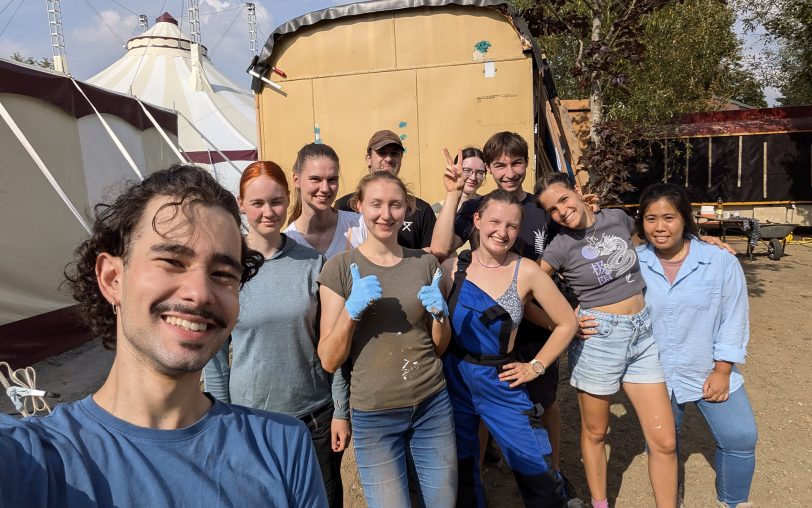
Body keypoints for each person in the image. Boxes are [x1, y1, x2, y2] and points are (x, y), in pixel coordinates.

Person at [0, 164, 328, 507]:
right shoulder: (36, 460)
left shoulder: (282, 446)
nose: (200, 292)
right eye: (172, 261)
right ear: (113, 278)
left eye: (222, 273)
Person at [580, 183, 757, 508]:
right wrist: (579, 319)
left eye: (669, 218)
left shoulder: (719, 262)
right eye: (650, 219)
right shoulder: (630, 263)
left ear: (685, 219)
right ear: (641, 223)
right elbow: (598, 294)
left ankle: (733, 502)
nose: (660, 227)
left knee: (741, 437)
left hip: (706, 368)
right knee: (663, 445)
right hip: (654, 373)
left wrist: (723, 369)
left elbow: (734, 317)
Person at [203, 161, 349, 507]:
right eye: (257, 203)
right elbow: (216, 361)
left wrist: (341, 410)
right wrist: (221, 421)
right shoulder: (226, 270)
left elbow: (334, 345)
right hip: (249, 421)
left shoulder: (313, 264)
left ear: (289, 200)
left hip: (313, 417)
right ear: (241, 204)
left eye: (276, 202)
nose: (268, 212)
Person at [432, 133, 571, 487]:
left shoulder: (542, 208)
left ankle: (552, 473)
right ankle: (477, 477)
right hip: (484, 336)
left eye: (516, 163)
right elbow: (438, 247)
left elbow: (578, 231)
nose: (509, 171)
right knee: (470, 432)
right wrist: (452, 194)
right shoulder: (473, 223)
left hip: (532, 324)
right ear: (479, 221)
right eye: (500, 165)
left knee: (541, 406)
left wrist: (537, 364)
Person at [536, 172, 678, 508]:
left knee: (665, 440)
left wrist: (703, 243)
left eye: (564, 200)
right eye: (552, 210)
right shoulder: (559, 247)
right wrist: (565, 322)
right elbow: (528, 289)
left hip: (643, 334)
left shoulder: (616, 218)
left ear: (578, 191)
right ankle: (600, 505)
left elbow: (649, 244)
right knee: (597, 433)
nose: (562, 211)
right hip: (599, 337)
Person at [318, 171, 457, 507]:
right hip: (375, 413)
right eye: (376, 204)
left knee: (442, 503)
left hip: (432, 405)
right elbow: (329, 359)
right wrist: (351, 312)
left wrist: (441, 315)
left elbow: (439, 346)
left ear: (406, 209)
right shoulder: (339, 268)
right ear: (359, 206)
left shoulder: (424, 263)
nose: (386, 214)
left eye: (395, 205)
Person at [334, 130, 436, 250]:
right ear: (368, 158)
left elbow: (434, 254)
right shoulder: (345, 207)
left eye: (394, 154)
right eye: (382, 153)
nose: (388, 158)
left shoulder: (421, 210)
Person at [285, 143, 366, 259]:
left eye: (332, 180)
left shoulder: (359, 226)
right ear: (296, 180)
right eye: (315, 179)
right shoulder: (288, 241)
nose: (325, 188)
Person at [431, 147, 487, 214]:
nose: (473, 178)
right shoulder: (434, 211)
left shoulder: (490, 206)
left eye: (479, 172)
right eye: (467, 170)